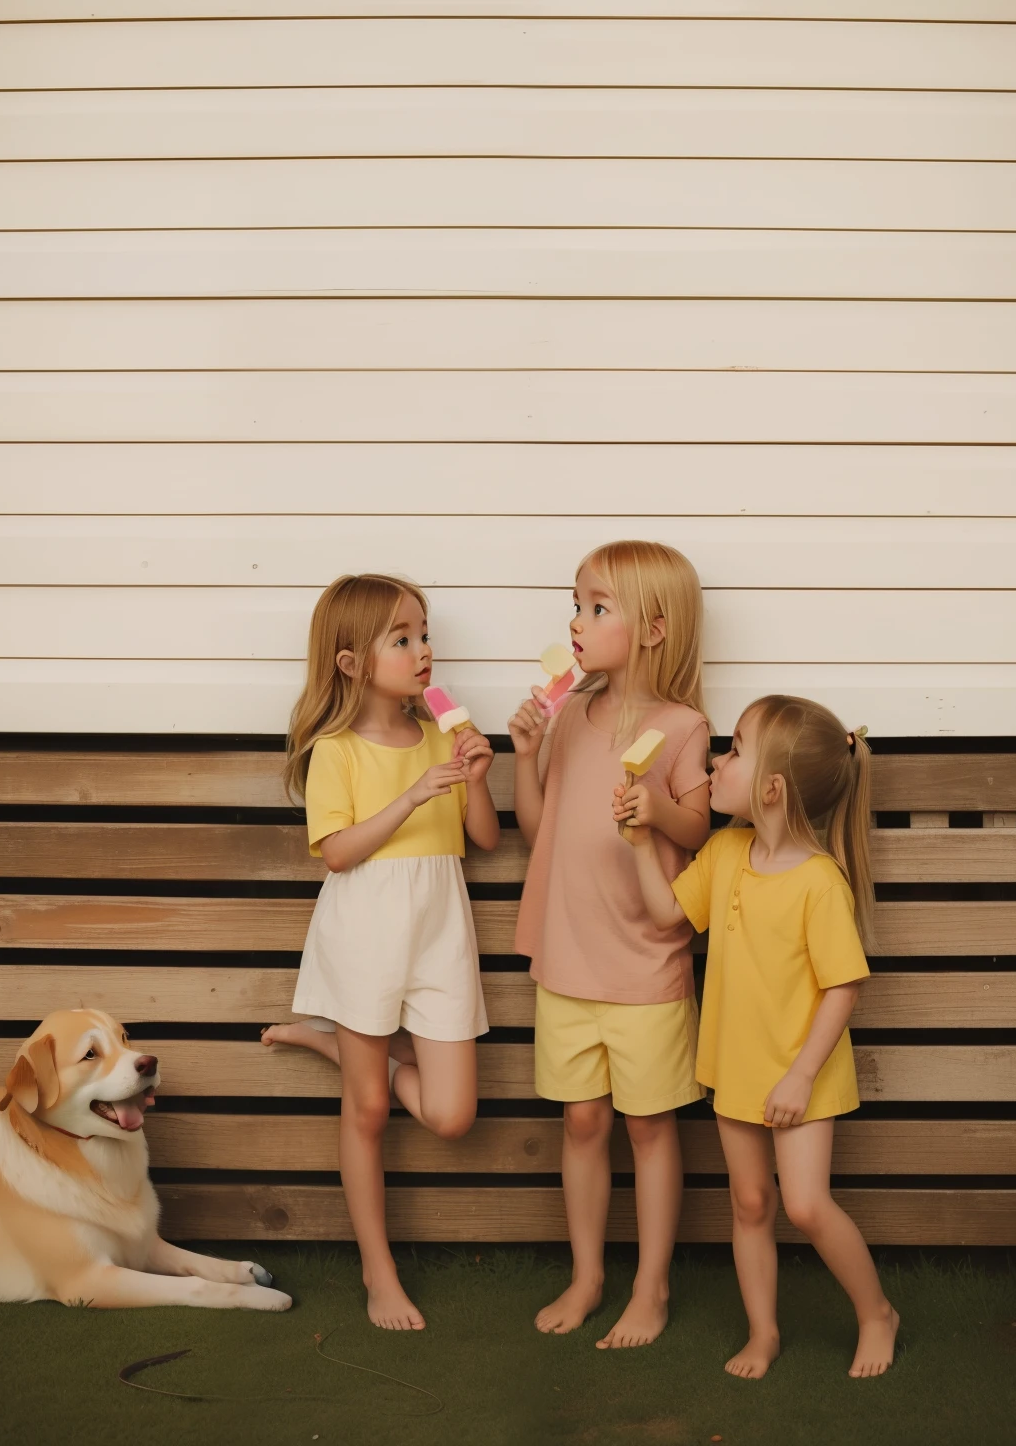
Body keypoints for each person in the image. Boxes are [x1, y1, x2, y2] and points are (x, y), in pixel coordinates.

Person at [619, 694, 899, 1379]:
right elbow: (665, 915)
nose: (718, 759)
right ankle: (763, 1333)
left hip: (803, 1074)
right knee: (749, 1202)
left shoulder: (818, 883)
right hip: (737, 1068)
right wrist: (636, 844)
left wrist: (801, 1075)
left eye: (736, 749)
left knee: (803, 1204)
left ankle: (876, 1314)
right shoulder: (724, 851)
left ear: (772, 789)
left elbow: (843, 986)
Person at [262, 573, 499, 1331]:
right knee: (366, 1112)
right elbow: (336, 854)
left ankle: (329, 1045)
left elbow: (484, 838)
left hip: (439, 935)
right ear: (351, 662)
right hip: (364, 933)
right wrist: (412, 796)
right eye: (402, 638)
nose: (423, 651)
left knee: (453, 1113)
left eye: (424, 634)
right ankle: (378, 1271)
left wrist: (480, 779)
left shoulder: (440, 734)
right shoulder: (335, 749)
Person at [510, 540, 711, 1348]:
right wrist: (526, 757)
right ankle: (588, 1275)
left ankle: (651, 1288)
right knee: (583, 1124)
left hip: (645, 968)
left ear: (655, 629)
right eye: (577, 604)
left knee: (650, 1128)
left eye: (598, 607)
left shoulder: (682, 727)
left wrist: (654, 814)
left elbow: (697, 828)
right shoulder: (567, 718)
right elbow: (539, 830)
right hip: (566, 962)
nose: (577, 621)